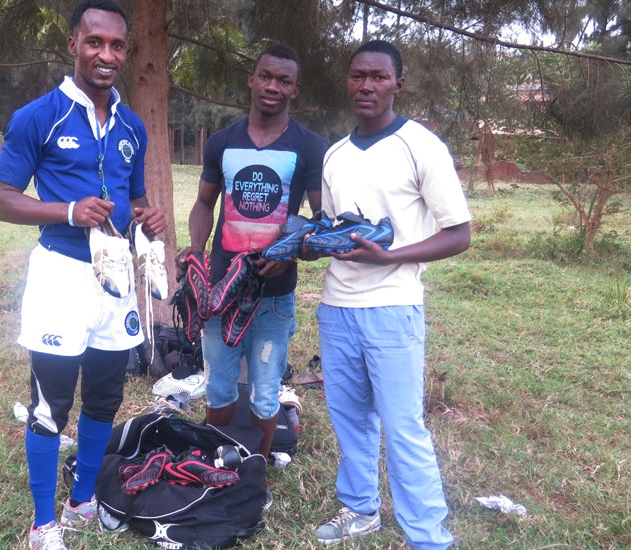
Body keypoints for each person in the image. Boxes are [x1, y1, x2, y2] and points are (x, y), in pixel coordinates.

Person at [0, 1, 165, 549]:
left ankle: (83, 500)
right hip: (61, 276)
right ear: (73, 45)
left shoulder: (132, 125)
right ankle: (44, 525)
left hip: (115, 279)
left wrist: (148, 217)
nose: (106, 55)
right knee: (52, 402)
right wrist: (65, 210)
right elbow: (0, 201)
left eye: (117, 46)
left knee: (106, 397)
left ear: (126, 52)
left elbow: (132, 200)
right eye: (95, 43)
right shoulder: (39, 116)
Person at [312, 40, 471, 549]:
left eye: (379, 77)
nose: (367, 85)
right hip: (337, 307)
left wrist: (391, 256)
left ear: (397, 84)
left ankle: (428, 537)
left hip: (393, 307)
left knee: (403, 429)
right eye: (359, 75)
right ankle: (359, 510)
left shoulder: (422, 147)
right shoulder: (334, 154)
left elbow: (458, 233)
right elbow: (339, 230)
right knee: (350, 419)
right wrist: (312, 245)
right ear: (348, 80)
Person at [178, 43, 327, 458]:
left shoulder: (310, 146)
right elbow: (204, 203)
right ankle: (215, 465)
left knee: (265, 396)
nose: (272, 87)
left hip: (274, 298)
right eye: (265, 76)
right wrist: (196, 255)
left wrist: (289, 254)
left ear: (295, 89)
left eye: (284, 81)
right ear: (252, 78)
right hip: (221, 291)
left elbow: (318, 221)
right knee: (219, 390)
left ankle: (253, 477)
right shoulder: (223, 141)